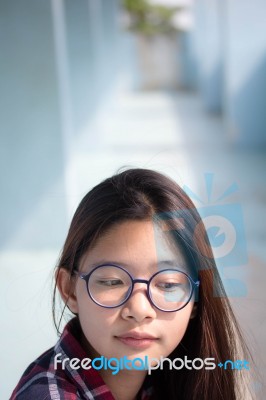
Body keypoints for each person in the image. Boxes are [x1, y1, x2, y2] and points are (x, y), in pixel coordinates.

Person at [10, 168, 252, 400]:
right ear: (69, 289)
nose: (139, 310)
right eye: (112, 281)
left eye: (168, 284)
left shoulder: (168, 380)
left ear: (196, 300)